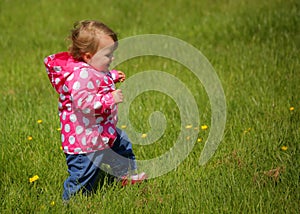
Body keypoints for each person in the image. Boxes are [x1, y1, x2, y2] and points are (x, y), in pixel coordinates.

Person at [43, 20, 146, 201]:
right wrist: (110, 99)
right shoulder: (80, 75)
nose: (112, 59)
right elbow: (83, 102)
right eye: (108, 55)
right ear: (88, 56)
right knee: (83, 175)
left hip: (101, 132)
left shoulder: (92, 68)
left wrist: (113, 76)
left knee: (122, 145)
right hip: (84, 140)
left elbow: (98, 79)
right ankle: (72, 203)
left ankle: (126, 176)